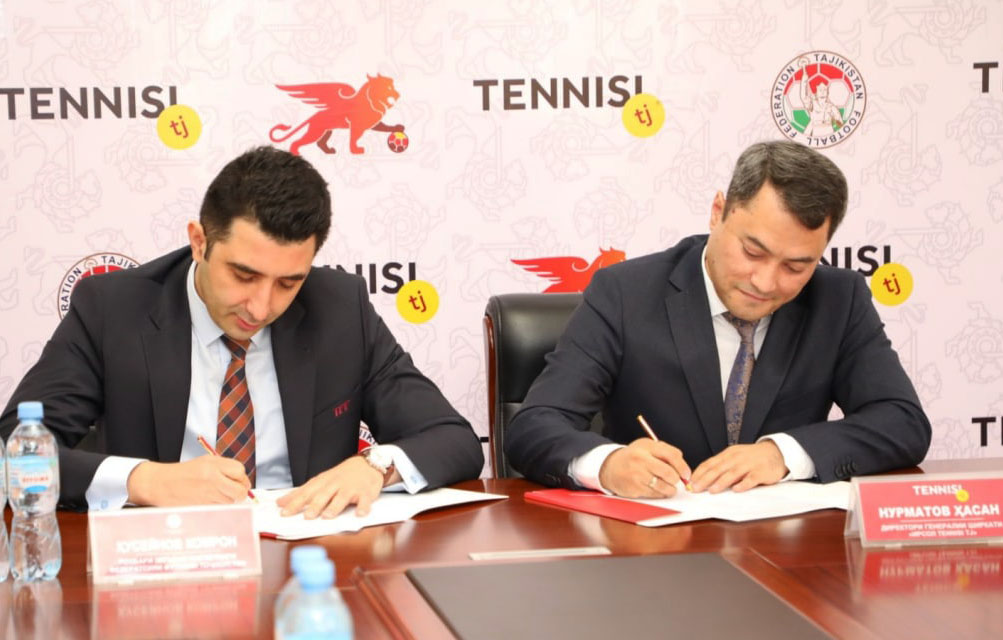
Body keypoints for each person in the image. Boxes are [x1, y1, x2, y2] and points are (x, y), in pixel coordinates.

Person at [0, 146, 483, 515]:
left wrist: (375, 466)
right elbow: (12, 450)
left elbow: (452, 438)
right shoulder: (114, 309)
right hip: (162, 564)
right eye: (244, 275)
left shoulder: (340, 309)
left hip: (307, 560)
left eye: (288, 282)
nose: (261, 306)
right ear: (199, 242)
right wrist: (145, 481)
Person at [505, 141, 930, 498]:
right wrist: (608, 464)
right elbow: (534, 426)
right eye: (753, 252)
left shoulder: (839, 299)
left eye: (796, 267)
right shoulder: (624, 293)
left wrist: (783, 454)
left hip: (785, 548)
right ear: (718, 211)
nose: (765, 283)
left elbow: (903, 422)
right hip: (653, 550)